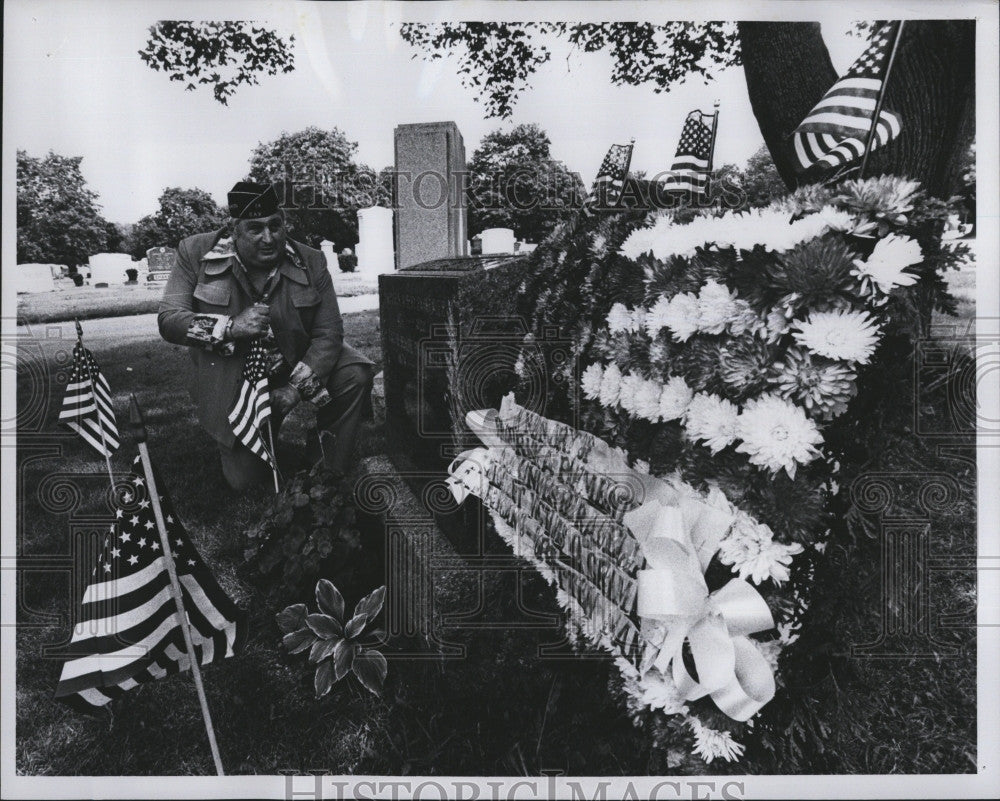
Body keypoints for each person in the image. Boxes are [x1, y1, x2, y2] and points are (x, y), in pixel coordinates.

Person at [158, 181, 375, 490]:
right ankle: (258, 433)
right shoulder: (194, 252)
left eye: (276, 226)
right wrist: (229, 327)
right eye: (255, 229)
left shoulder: (311, 260)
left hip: (294, 362)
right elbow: (169, 320)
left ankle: (323, 466)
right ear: (234, 230)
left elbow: (329, 332)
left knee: (354, 372)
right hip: (237, 377)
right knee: (246, 483)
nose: (269, 238)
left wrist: (294, 389)